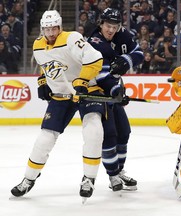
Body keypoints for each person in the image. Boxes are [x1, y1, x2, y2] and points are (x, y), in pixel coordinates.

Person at [10, 10, 108, 201]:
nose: (51, 33)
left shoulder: (72, 39)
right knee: (45, 138)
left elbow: (95, 60)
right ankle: (28, 178)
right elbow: (46, 66)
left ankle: (88, 178)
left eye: (54, 28)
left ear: (60, 26)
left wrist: (82, 81)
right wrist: (42, 81)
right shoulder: (38, 45)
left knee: (93, 129)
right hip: (61, 95)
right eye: (47, 29)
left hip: (88, 90)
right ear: (42, 29)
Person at [87, 8, 144, 192]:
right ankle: (112, 175)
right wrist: (117, 90)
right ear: (100, 24)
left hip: (113, 91)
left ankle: (118, 171)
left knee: (124, 132)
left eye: (114, 26)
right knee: (109, 135)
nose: (111, 30)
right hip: (97, 93)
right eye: (108, 26)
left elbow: (139, 53)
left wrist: (126, 60)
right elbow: (102, 77)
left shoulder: (122, 35)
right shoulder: (94, 42)